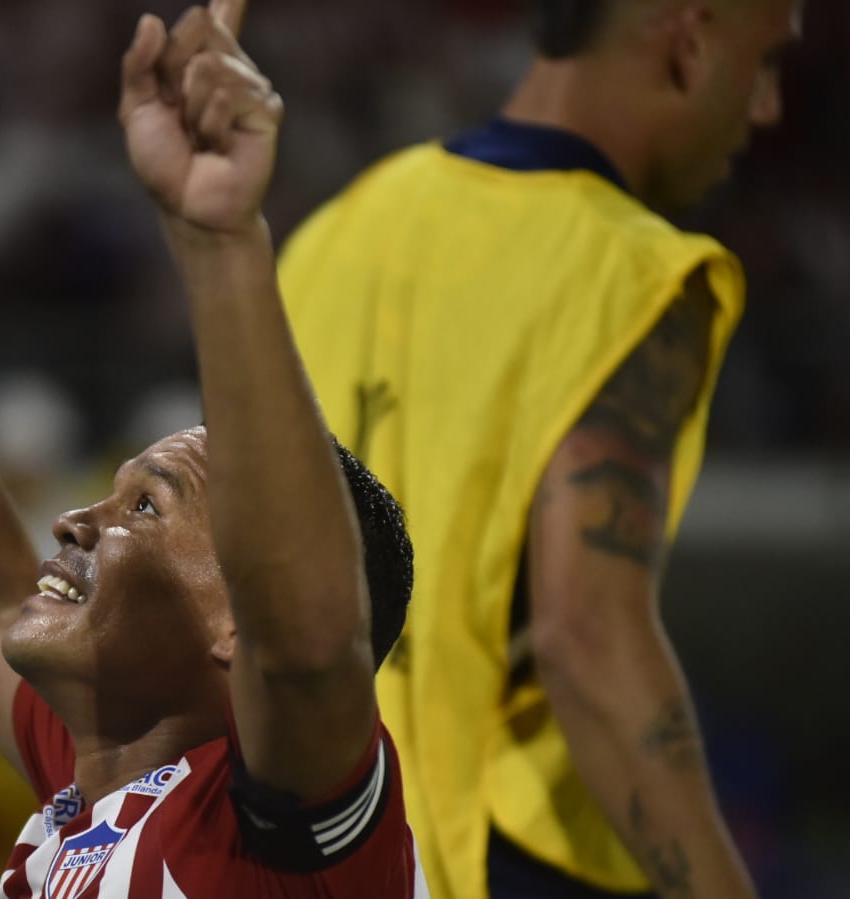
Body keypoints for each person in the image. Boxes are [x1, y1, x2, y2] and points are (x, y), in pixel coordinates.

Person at [0, 3, 426, 895]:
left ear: (238, 620)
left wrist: (220, 240)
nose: (72, 520)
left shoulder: (281, 833)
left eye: (145, 504)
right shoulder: (92, 783)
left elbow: (306, 639)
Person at [276, 1, 802, 897]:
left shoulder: (332, 234)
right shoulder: (633, 272)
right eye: (762, 64)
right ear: (688, 40)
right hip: (484, 857)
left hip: (296, 839)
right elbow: (586, 635)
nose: (766, 108)